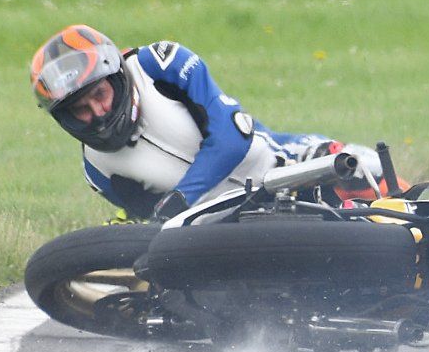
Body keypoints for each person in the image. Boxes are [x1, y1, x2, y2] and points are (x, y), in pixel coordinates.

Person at [29, 24, 377, 222]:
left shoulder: (159, 63)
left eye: (99, 95)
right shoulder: (97, 171)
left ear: (116, 76)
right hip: (227, 229)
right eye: (81, 109)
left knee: (362, 164)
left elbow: (232, 139)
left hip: (282, 167)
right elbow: (150, 222)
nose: (99, 113)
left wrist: (182, 197)